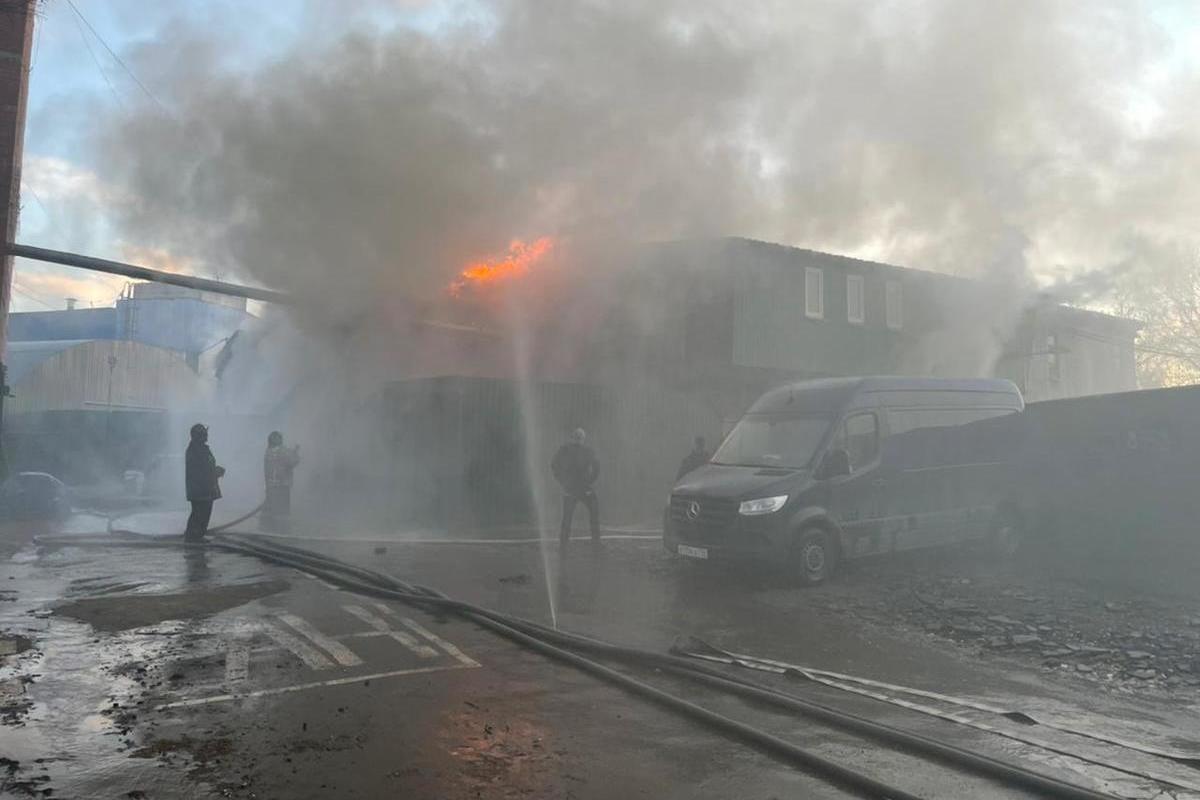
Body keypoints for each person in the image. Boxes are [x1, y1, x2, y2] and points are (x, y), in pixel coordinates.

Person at [551, 428, 600, 544]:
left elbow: (597, 467)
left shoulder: (582, 450)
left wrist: (563, 481)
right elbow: (554, 465)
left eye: (580, 436)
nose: (578, 439)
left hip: (579, 488)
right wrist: (563, 481)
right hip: (575, 488)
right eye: (577, 436)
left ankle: (595, 541)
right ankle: (565, 542)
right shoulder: (566, 450)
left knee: (572, 516)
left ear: (583, 438)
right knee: (568, 517)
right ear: (573, 437)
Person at [184, 423, 224, 541]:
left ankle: (197, 536)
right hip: (201, 491)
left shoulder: (201, 448)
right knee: (199, 515)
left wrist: (215, 470)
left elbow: (206, 467)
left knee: (203, 515)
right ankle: (193, 538)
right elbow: (201, 471)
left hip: (205, 490)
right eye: (204, 434)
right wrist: (216, 472)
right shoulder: (196, 450)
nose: (206, 435)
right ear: (199, 435)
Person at [261, 431, 300, 532]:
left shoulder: (268, 452)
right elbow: (293, 461)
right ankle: (282, 530)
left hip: (271, 485)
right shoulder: (283, 451)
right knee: (282, 511)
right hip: (282, 486)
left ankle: (266, 528)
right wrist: (296, 452)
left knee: (270, 508)